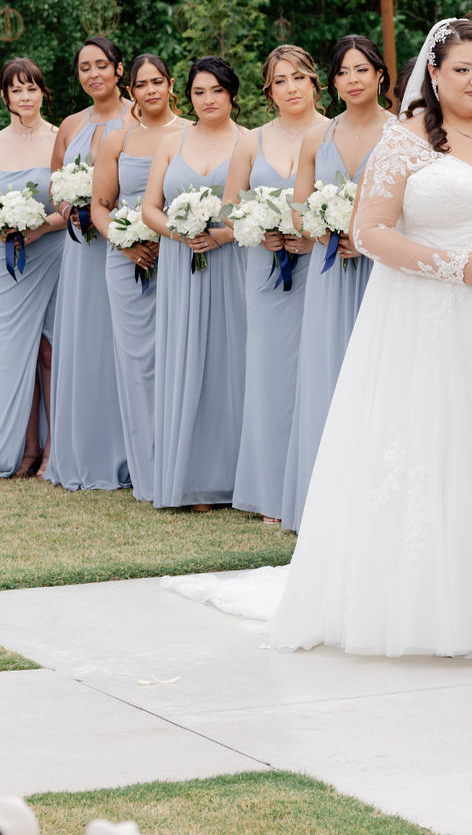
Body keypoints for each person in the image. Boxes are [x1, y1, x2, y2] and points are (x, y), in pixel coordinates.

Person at [167, 18, 472, 657]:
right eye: (460, 69)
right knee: (436, 445)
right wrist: (460, 269)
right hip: (430, 317)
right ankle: (429, 606)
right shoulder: (405, 141)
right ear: (432, 75)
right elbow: (371, 231)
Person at [280, 35, 391, 530]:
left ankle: (377, 500)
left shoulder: (404, 134)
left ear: (381, 75)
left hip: (383, 275)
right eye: (344, 71)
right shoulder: (315, 139)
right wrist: (324, 224)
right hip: (329, 275)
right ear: (334, 81)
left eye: (362, 69)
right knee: (328, 374)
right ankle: (325, 503)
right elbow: (299, 209)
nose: (353, 79)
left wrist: (366, 236)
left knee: (379, 380)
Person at [225, 45, 327, 525]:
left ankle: (317, 485)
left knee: (318, 371)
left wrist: (317, 234)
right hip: (265, 271)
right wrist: (257, 225)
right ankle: (270, 492)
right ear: (269, 90)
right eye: (281, 80)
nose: (291, 87)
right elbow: (229, 207)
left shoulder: (334, 132)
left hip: (322, 269)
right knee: (269, 375)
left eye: (299, 77)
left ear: (314, 83)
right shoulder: (251, 141)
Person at [142, 56, 245, 509]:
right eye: (199, 92)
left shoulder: (249, 142)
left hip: (230, 265)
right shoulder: (171, 143)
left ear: (232, 95)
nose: (208, 100)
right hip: (180, 263)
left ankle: (230, 476)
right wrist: (179, 232)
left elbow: (256, 209)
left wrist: (219, 236)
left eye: (217, 91)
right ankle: (188, 478)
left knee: (229, 361)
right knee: (184, 360)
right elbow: (150, 208)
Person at [92, 53, 189, 503]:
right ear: (130, 91)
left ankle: (181, 462)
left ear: (171, 85)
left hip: (180, 256)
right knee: (137, 365)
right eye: (141, 84)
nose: (150, 90)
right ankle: (146, 471)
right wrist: (124, 242)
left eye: (157, 81)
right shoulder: (116, 138)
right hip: (126, 261)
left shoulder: (190, 132)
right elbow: (100, 204)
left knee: (179, 357)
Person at [0, 58, 66, 479]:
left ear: (43, 91)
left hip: (53, 250)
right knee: (14, 352)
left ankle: (54, 450)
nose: (24, 97)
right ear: (5, 96)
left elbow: (72, 206)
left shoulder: (63, 137)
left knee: (50, 349)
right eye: (16, 90)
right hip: (5, 258)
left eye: (32, 88)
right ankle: (21, 450)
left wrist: (40, 228)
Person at [44, 36, 133, 491]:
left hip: (126, 245)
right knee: (84, 344)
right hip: (81, 249)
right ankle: (83, 452)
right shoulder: (70, 125)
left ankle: (130, 454)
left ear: (119, 69)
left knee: (124, 344)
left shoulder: (139, 116)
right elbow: (56, 184)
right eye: (85, 67)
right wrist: (69, 207)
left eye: (102, 65)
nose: (93, 73)